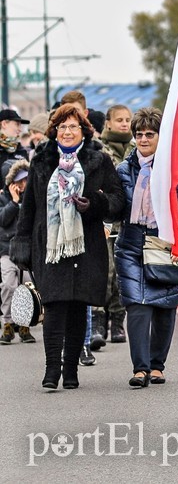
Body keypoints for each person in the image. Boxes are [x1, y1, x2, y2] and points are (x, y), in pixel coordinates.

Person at [10, 104, 124, 390]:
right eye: (62, 127)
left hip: (86, 245)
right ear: (54, 130)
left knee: (77, 307)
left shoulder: (99, 159)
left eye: (73, 126)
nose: (68, 131)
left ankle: (71, 370)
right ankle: (52, 370)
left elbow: (118, 200)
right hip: (48, 245)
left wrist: (94, 204)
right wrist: (22, 244)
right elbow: (29, 208)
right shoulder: (41, 161)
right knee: (54, 305)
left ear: (83, 129)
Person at [115, 107, 178, 388]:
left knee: (164, 304)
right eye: (139, 134)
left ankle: (157, 365)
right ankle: (140, 368)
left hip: (165, 242)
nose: (144, 139)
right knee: (137, 305)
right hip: (131, 244)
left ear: (161, 137)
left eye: (150, 134)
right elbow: (115, 207)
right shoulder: (123, 170)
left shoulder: (176, 170)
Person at [93, 103, 135, 349]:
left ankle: (118, 321)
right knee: (103, 270)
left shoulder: (135, 148)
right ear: (107, 122)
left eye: (128, 119)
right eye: (119, 119)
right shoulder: (100, 149)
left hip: (127, 219)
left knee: (121, 272)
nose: (124, 123)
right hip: (104, 220)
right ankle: (99, 321)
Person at [0, 159, 33, 344]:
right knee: (8, 285)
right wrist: (13, 202)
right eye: (20, 181)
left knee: (27, 286)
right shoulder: (3, 198)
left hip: (26, 250)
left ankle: (24, 325)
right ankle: (7, 324)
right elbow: (3, 220)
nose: (23, 184)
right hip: (7, 249)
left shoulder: (31, 198)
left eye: (26, 180)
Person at [0, 109, 31, 190]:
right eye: (17, 124)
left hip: (19, 200)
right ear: (4, 124)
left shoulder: (22, 151)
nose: (20, 129)